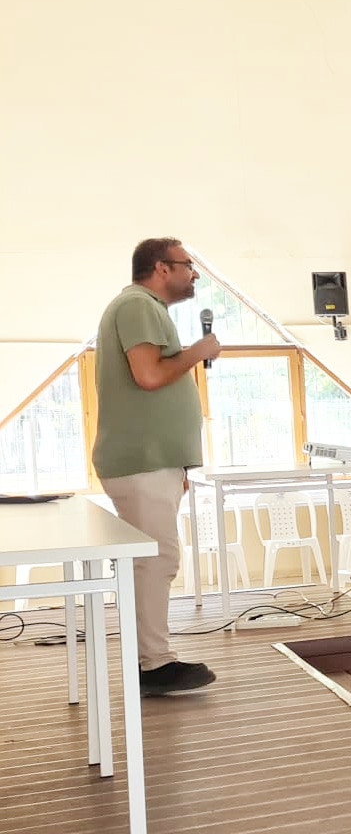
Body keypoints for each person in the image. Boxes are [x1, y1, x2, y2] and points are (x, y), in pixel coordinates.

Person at [92, 237, 222, 695]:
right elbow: (148, 376)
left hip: (154, 462)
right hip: (142, 461)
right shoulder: (137, 306)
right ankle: (153, 665)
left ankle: (151, 661)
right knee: (155, 560)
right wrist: (198, 350)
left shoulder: (144, 308)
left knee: (154, 559)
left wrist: (176, 465)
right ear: (161, 268)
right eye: (189, 265)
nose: (195, 274)